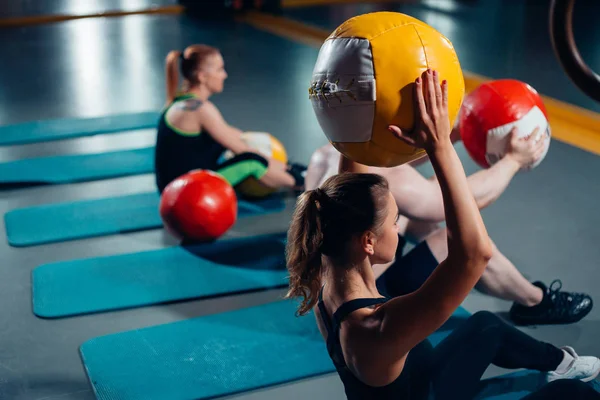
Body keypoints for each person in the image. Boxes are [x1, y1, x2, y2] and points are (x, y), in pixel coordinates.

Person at [285, 69, 600, 399]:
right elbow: (474, 254)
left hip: (420, 381)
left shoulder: (330, 267)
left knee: (486, 327)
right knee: (576, 395)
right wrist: (439, 148)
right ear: (367, 241)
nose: (399, 228)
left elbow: (350, 181)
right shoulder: (376, 327)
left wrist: (362, 102)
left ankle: (560, 362)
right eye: (395, 222)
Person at [304, 110, 592, 327]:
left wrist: (449, 136)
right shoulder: (382, 179)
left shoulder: (329, 155)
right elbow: (458, 203)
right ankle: (535, 301)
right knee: (458, 241)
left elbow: (397, 165)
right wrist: (513, 161)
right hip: (363, 295)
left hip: (332, 282)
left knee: (416, 218)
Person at [154, 44, 306, 194]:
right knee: (252, 161)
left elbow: (232, 134)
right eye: (219, 69)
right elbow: (241, 149)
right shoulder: (201, 109)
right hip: (183, 190)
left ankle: (293, 171)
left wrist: (285, 165)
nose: (225, 75)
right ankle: (304, 184)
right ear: (202, 76)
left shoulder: (182, 101)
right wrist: (281, 166)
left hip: (177, 184)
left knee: (239, 141)